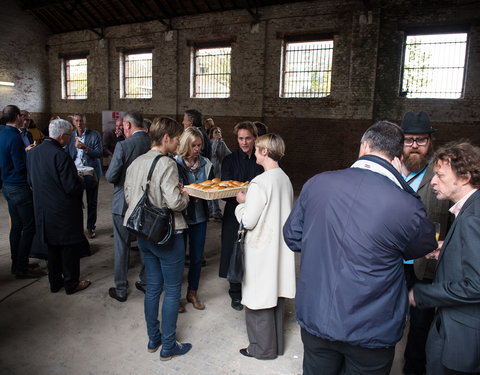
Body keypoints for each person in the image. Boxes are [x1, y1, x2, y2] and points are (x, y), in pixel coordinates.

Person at [283, 121, 437, 375]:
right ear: (399, 157)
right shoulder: (406, 203)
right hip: (371, 326)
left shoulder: (317, 184)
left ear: (364, 146)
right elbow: (421, 246)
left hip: (318, 316)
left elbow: (293, 237)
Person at [409, 141, 480, 375]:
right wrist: (446, 250)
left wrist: (422, 293)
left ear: (464, 177)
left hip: (460, 337)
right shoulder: (471, 208)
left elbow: (476, 285)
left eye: (440, 175)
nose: (433, 181)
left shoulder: (472, 219)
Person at [124, 117, 191, 360]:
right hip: (167, 235)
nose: (177, 144)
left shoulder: (136, 162)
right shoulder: (168, 164)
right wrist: (185, 197)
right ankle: (169, 345)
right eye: (176, 139)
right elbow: (174, 202)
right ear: (165, 138)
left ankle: (153, 338)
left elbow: (130, 197)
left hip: (143, 233)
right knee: (172, 290)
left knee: (153, 287)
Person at [234, 133, 295, 359]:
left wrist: (242, 203)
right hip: (279, 246)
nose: (254, 151)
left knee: (258, 298)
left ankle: (261, 349)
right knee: (275, 296)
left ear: (265, 152)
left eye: (258, 148)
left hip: (261, 248)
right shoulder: (284, 178)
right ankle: (275, 345)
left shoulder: (260, 182)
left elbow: (248, 220)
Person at [400, 111, 452, 375]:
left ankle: (413, 369)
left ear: (430, 140)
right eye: (409, 140)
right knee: (389, 316)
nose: (414, 146)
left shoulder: (443, 171)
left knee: (421, 325)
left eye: (420, 140)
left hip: (425, 264)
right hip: (394, 261)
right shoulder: (393, 168)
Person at [26, 119, 91, 294]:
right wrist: (80, 181)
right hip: (64, 212)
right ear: (62, 136)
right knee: (69, 248)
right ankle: (71, 284)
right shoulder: (61, 155)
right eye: (69, 136)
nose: (70, 139)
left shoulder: (33, 153)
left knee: (52, 248)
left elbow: (30, 181)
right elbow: (71, 187)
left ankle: (55, 283)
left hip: (43, 209)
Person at [106, 111, 151, 302]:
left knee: (121, 246)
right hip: (148, 202)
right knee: (146, 245)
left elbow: (110, 176)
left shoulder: (123, 145)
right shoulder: (152, 143)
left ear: (127, 125)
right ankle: (146, 281)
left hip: (123, 203)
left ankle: (122, 289)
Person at [219, 121, 263, 311]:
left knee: (254, 251)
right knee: (233, 251)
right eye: (241, 138)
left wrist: (246, 194)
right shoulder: (228, 160)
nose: (244, 142)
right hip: (233, 213)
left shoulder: (262, 159)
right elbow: (226, 190)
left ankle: (251, 289)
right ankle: (235, 293)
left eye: (248, 138)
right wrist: (243, 197)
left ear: (255, 139)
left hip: (257, 213)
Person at [0, 105, 42, 279]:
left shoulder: (2, 133)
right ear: (17, 116)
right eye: (22, 116)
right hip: (18, 186)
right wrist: (29, 154)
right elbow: (20, 166)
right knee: (29, 226)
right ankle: (22, 267)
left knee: (16, 226)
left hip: (7, 186)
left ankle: (16, 262)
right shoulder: (15, 137)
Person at [175, 126, 214, 312]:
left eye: (199, 145)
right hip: (180, 217)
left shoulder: (206, 163)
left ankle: (192, 293)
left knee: (197, 258)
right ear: (185, 145)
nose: (197, 149)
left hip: (199, 216)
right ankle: (175, 298)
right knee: (177, 258)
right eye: (193, 146)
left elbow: (213, 185)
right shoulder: (174, 163)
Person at [67, 113, 103, 239]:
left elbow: (99, 153)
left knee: (91, 201)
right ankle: (77, 228)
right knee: (76, 201)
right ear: (73, 123)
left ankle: (90, 227)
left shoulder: (94, 135)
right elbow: (67, 153)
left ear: (85, 122)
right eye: (76, 121)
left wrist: (85, 148)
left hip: (91, 172)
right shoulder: (71, 136)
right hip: (75, 172)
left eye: (81, 121)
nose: (79, 124)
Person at [209, 126, 231, 219]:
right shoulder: (210, 142)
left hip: (219, 170)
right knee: (210, 190)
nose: (218, 134)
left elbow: (228, 153)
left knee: (216, 190)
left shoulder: (222, 143)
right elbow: (212, 153)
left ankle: (216, 211)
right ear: (212, 134)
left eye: (219, 132)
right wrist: (216, 141)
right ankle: (212, 210)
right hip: (211, 168)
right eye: (216, 132)